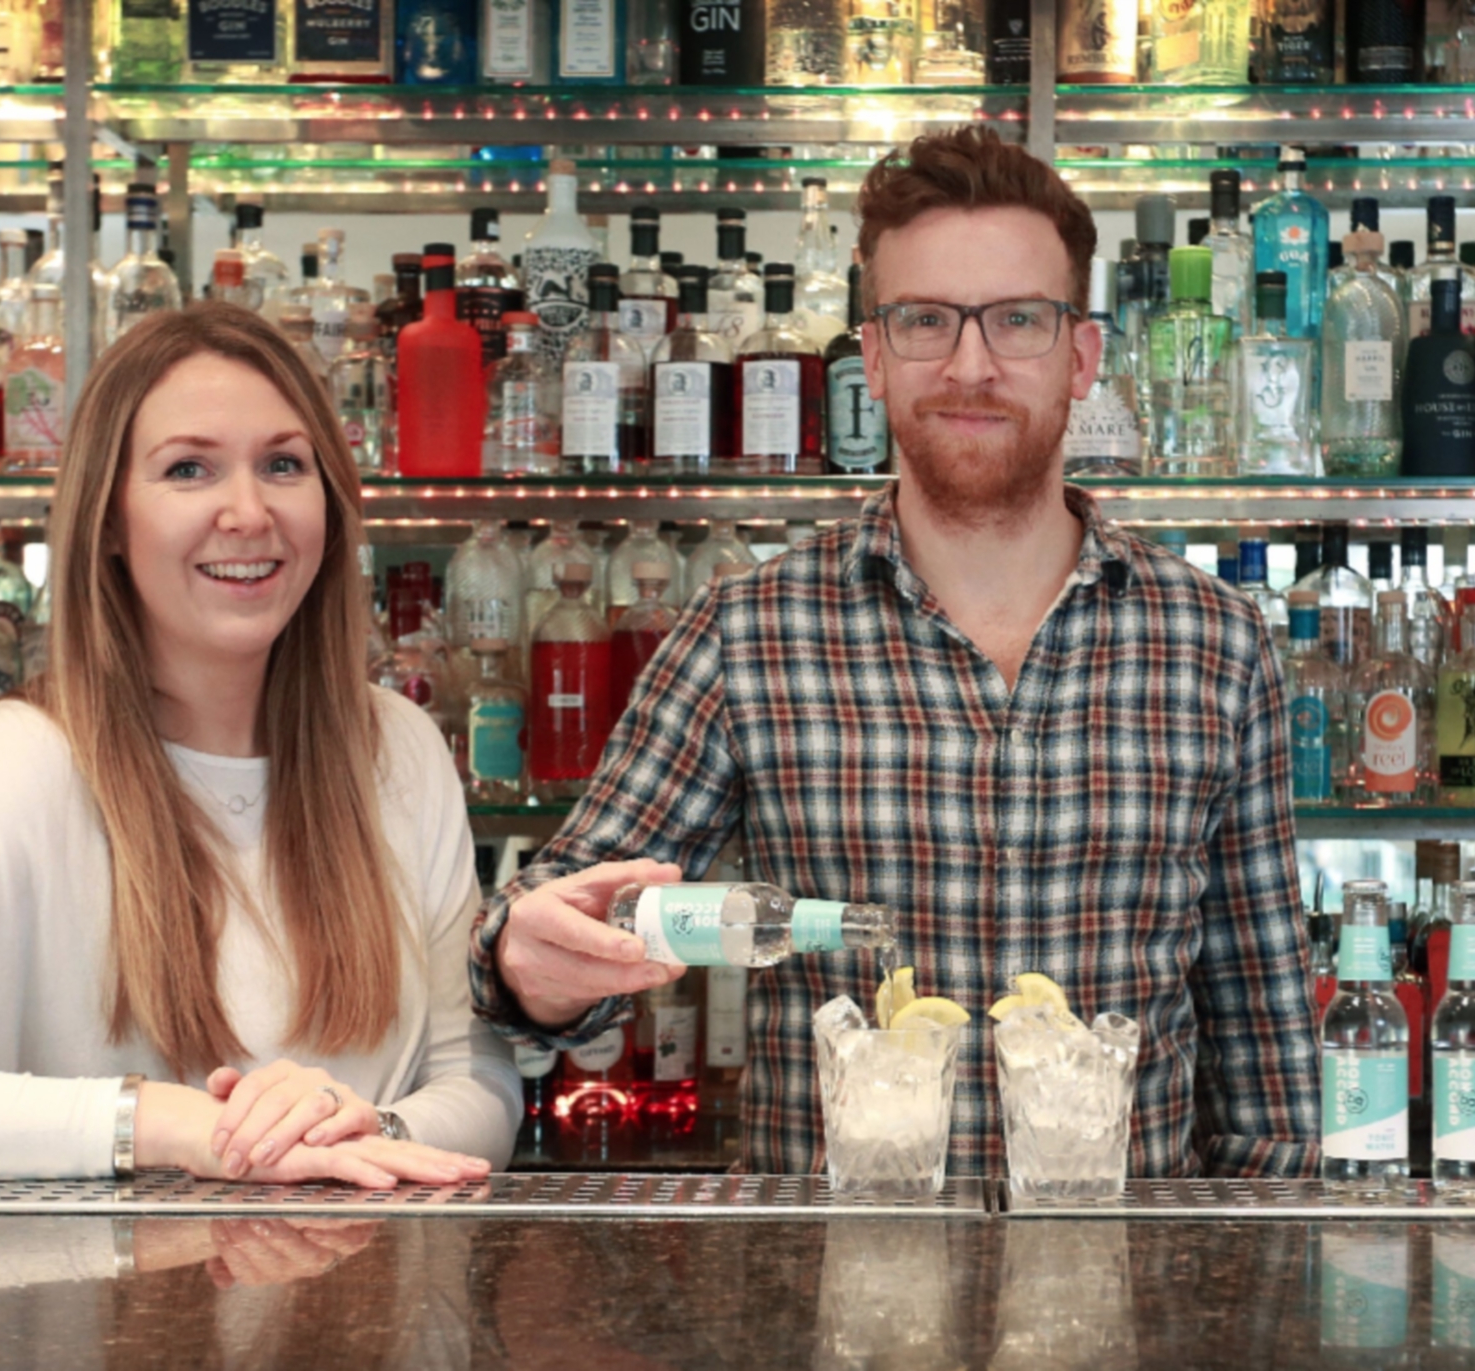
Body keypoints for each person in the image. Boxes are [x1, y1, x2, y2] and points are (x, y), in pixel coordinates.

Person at [472, 128, 1319, 1179]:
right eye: (926, 321)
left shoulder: (1215, 643)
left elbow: (1262, 1041)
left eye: (1018, 320)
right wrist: (534, 960)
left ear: (1083, 356)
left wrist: (1259, 1283)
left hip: (1125, 1294)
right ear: (870, 357)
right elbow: (565, 914)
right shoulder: (749, 633)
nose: (972, 365)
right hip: (830, 1301)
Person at [0, 303, 520, 1185]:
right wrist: (164, 1121)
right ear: (107, 520)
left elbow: (477, 1077)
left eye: (284, 465)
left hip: (365, 1315)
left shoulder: (398, 750)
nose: (248, 511)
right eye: (189, 469)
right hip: (101, 1316)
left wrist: (367, 1128)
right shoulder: (19, 763)